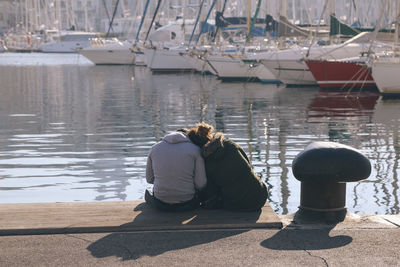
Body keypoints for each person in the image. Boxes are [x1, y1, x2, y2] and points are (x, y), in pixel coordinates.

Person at [187, 122, 268, 211]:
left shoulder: (206, 162)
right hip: (260, 195)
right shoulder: (231, 145)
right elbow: (248, 166)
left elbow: (210, 192)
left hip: (239, 204)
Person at [145, 130, 207, 212]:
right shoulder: (195, 150)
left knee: (148, 193)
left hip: (160, 203)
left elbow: (149, 179)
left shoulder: (154, 148)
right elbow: (200, 184)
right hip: (187, 204)